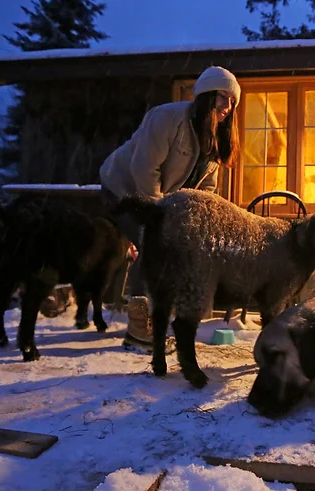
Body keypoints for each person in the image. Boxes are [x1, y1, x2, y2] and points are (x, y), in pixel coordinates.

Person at [99, 65, 241, 348]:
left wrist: (197, 222)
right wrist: (158, 217)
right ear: (205, 94)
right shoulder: (168, 118)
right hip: (123, 188)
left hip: (163, 203)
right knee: (151, 243)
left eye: (232, 101)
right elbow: (144, 169)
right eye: (222, 97)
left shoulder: (214, 140)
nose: (227, 106)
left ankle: (161, 318)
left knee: (180, 249)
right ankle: (140, 328)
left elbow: (206, 190)